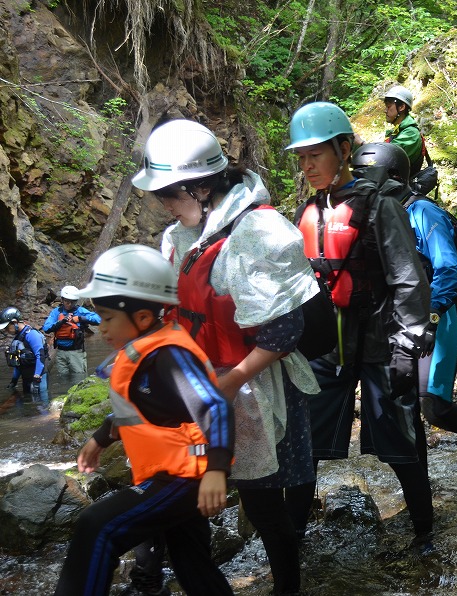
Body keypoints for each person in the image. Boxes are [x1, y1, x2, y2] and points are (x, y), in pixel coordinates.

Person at [132, 118, 322, 596]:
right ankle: (161, 579)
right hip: (197, 384)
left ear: (199, 187)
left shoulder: (258, 232)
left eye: (169, 196)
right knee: (175, 487)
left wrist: (232, 381)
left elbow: (286, 329)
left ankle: (286, 588)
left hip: (250, 384)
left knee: (261, 503)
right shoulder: (179, 235)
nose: (164, 206)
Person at [286, 102, 436, 550]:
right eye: (302, 157)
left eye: (317, 154)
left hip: (379, 341)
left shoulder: (380, 206)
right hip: (324, 347)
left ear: (344, 149)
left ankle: (424, 531)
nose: (308, 165)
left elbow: (408, 276)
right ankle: (290, 540)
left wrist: (408, 344)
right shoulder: (309, 212)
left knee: (400, 442)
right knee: (304, 445)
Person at [53, 244, 234, 596]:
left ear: (143, 318)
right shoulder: (144, 352)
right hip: (177, 472)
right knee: (192, 561)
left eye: (107, 318)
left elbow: (215, 407)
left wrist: (217, 470)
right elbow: (141, 411)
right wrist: (100, 438)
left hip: (186, 475)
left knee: (98, 526)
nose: (101, 328)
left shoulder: (169, 356)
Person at [350, 142, 457, 484]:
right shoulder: (374, 215)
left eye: (368, 176)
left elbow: (449, 270)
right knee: (407, 406)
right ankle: (420, 493)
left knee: (434, 405)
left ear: (393, 176)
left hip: (436, 316)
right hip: (395, 321)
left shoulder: (424, 213)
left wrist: (433, 316)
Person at [41, 285, 101, 381]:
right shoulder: (56, 312)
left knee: (79, 378)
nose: (69, 304)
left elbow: (99, 319)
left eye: (72, 302)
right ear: (62, 299)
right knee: (63, 379)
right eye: (67, 301)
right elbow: (46, 328)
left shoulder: (80, 311)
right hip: (60, 353)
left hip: (76, 353)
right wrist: (61, 322)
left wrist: (81, 318)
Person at [2, 306, 48, 401]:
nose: (6, 331)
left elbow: (40, 356)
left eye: (7, 327)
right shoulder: (17, 339)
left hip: (38, 379)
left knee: (41, 405)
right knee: (27, 406)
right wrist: (14, 381)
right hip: (26, 378)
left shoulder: (32, 335)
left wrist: (36, 378)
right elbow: (18, 363)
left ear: (14, 322)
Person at [384, 85, 425, 176]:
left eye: (389, 106)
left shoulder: (410, 133)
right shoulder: (398, 131)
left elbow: (385, 156)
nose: (385, 110)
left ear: (401, 107)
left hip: (399, 187)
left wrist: (362, 144)